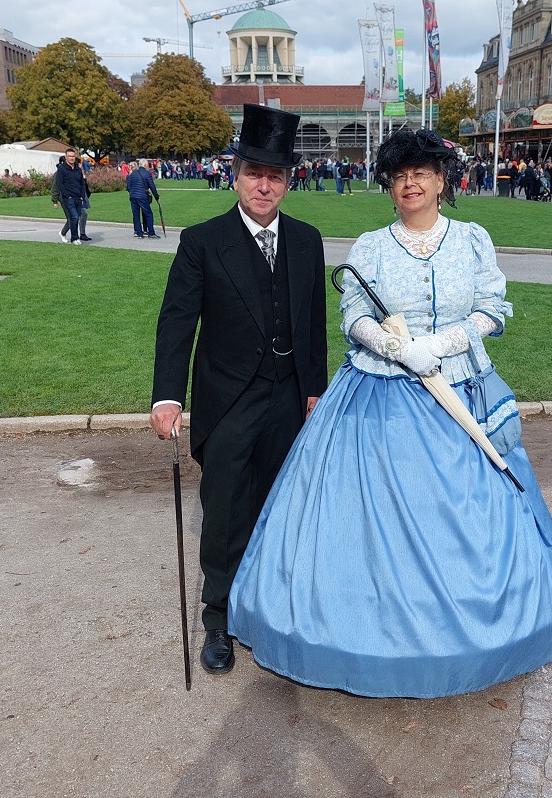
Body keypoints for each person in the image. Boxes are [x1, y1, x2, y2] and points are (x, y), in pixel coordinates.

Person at [227, 129, 552, 699]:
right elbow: (353, 318)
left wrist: (442, 345)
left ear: (443, 180)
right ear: (389, 186)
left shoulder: (471, 240)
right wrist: (398, 348)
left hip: (461, 388)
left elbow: (494, 308)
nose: (410, 183)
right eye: (399, 175)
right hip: (380, 397)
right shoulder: (370, 247)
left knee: (471, 507)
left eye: (421, 172)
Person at [149, 104, 328, 677]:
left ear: (288, 180)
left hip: (288, 397)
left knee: (282, 505)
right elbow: (178, 319)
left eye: (275, 175)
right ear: (236, 174)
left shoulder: (306, 240)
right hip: (228, 398)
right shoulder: (204, 241)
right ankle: (219, 616)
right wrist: (167, 395)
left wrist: (315, 390)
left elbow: (313, 320)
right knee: (225, 509)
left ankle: (272, 607)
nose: (264, 185)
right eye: (255, 173)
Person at [50, 156, 91, 242]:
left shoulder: (74, 171)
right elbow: (55, 186)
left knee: (78, 216)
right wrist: (55, 200)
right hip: (65, 198)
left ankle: (76, 236)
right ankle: (65, 234)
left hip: (75, 197)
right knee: (72, 218)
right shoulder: (59, 173)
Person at [125, 158, 161, 239]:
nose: (148, 166)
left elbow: (128, 186)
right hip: (142, 196)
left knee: (136, 215)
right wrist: (156, 197)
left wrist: (132, 192)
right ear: (145, 165)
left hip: (133, 196)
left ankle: (139, 232)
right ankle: (151, 232)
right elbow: (152, 186)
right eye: (147, 165)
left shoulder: (133, 174)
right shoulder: (147, 174)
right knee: (148, 214)